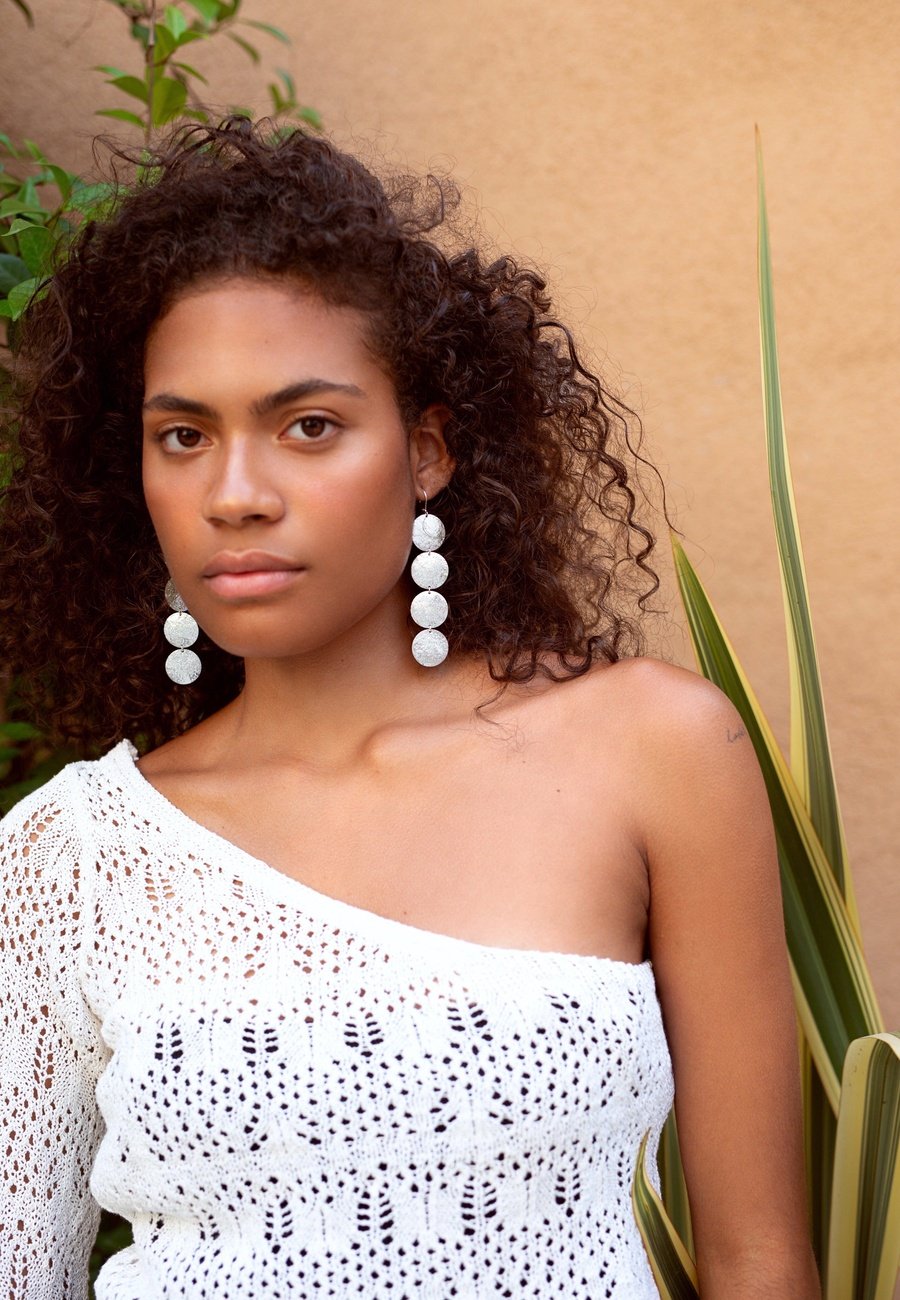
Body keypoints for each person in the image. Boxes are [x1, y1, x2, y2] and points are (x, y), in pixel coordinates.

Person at [0, 118, 818, 1299]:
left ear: (427, 451)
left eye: (309, 426)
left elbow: (757, 1256)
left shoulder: (654, 749)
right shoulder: (71, 857)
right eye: (183, 436)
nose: (236, 494)